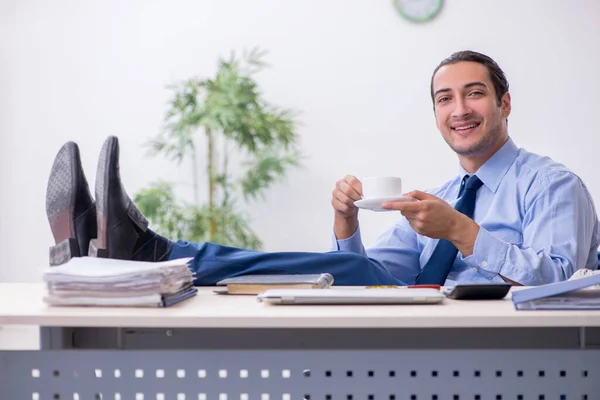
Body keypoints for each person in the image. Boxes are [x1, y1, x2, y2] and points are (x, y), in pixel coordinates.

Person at [45, 50, 600, 287]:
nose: (459, 110)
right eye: (444, 99)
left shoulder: (552, 185)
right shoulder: (442, 193)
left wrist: (464, 233)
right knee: (339, 275)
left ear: (504, 103)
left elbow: (561, 284)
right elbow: (370, 275)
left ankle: (148, 251)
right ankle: (103, 259)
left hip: (494, 345)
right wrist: (346, 229)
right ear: (435, 113)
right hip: (417, 329)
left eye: (474, 94)